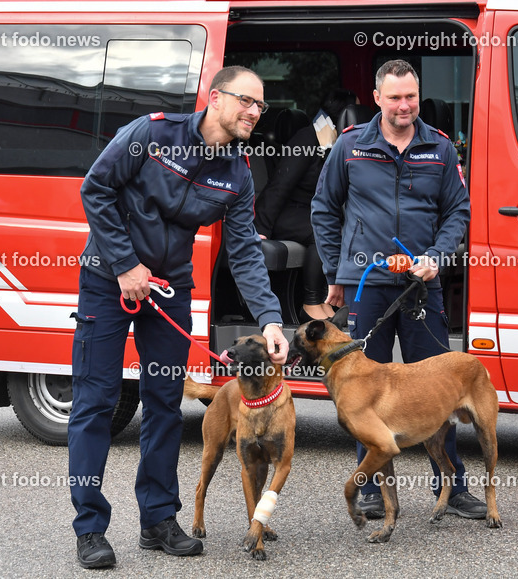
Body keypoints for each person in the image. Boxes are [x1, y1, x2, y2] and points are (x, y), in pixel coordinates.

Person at [68, 66, 289, 569]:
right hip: (109, 281)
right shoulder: (152, 133)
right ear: (215, 99)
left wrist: (271, 319)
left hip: (170, 291)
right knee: (96, 403)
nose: (255, 112)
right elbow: (95, 189)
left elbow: (245, 253)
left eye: (261, 106)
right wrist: (125, 265)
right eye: (247, 102)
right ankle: (90, 529)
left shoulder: (237, 173)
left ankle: (158, 520)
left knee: (166, 402)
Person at [311, 59, 486, 520]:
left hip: (420, 287)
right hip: (366, 286)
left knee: (437, 387)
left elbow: (457, 214)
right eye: (395, 97)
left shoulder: (441, 148)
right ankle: (370, 488)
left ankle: (452, 486)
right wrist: (336, 272)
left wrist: (436, 258)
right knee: (361, 391)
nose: (404, 105)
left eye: (411, 96)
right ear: (377, 98)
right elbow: (324, 210)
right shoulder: (349, 147)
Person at [254, 88, 357, 321]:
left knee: (335, 226)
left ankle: (323, 299)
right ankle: (311, 302)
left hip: (312, 212)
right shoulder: (308, 139)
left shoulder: (339, 143)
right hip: (289, 214)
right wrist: (260, 228)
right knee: (322, 229)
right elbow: (280, 184)